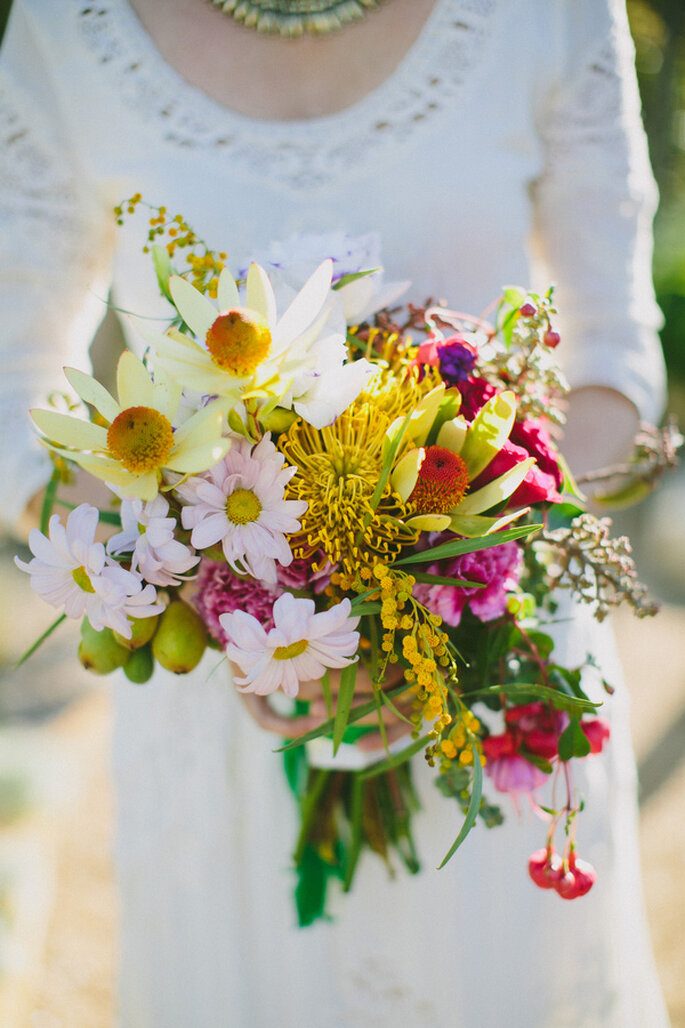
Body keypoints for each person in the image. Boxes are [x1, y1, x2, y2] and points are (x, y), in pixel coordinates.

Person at [0, 0, 671, 1024]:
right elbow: (9, 385)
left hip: (492, 672)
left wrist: (445, 579)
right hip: (217, 680)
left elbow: (615, 359)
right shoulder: (67, 29)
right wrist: (223, 586)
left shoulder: (551, 14)